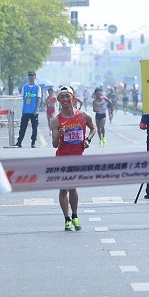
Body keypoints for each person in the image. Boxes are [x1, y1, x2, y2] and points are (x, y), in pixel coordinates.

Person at [51, 87, 96, 231]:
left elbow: (93, 128)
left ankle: (75, 215)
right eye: (62, 97)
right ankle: (67, 219)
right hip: (62, 158)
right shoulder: (56, 121)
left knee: (73, 188)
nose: (65, 99)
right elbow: (54, 144)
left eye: (67, 96)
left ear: (73, 98)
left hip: (77, 157)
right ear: (58, 100)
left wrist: (88, 139)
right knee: (63, 189)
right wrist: (59, 134)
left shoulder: (83, 116)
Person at [14, 71, 41, 148]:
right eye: (30, 76)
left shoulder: (37, 87)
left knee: (34, 128)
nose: (31, 78)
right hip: (26, 111)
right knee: (22, 127)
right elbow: (21, 98)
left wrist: (36, 109)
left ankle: (33, 142)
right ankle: (19, 142)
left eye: (32, 76)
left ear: (35, 77)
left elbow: (39, 99)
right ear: (28, 77)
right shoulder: (25, 87)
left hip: (34, 111)